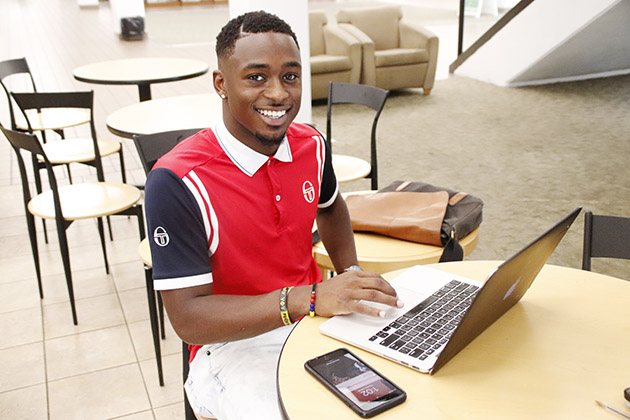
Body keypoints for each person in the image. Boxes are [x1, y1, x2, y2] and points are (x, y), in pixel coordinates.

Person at [144, 10, 403, 420]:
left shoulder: (310, 145)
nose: (279, 94)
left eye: (290, 76)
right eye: (256, 77)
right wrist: (306, 298)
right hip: (231, 346)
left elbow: (331, 205)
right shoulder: (176, 181)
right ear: (221, 84)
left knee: (402, 388)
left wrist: (350, 273)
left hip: (312, 321)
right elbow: (188, 319)